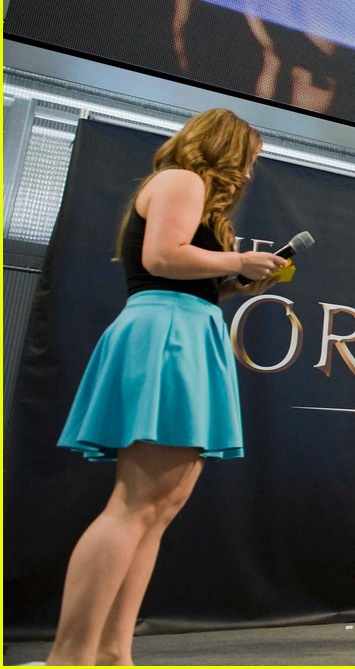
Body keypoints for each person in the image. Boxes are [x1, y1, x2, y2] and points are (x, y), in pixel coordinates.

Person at [47, 109, 288, 666]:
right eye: (249, 157)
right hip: (168, 333)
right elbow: (161, 257)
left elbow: (176, 270)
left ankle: (112, 654)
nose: (250, 172)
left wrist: (232, 282)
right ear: (227, 149)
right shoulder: (183, 179)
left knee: (158, 508)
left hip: (184, 325)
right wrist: (239, 259)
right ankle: (71, 657)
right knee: (135, 506)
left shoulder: (194, 194)